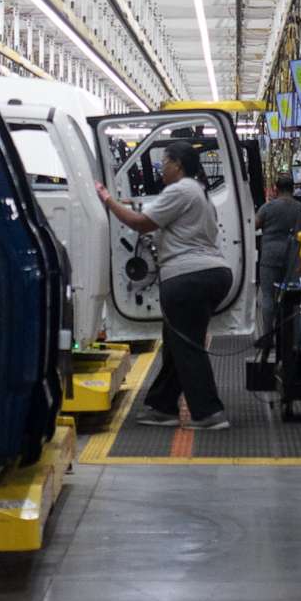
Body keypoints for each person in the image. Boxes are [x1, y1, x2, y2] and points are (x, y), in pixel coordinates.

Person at [100, 141, 232, 429]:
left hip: (188, 278)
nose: (161, 168)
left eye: (165, 162)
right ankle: (161, 406)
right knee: (176, 344)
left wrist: (107, 200)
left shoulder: (181, 189)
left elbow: (141, 223)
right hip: (211, 274)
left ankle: (209, 413)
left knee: (187, 348)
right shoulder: (198, 192)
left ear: (179, 165)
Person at [254, 173, 301, 346]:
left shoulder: (268, 207)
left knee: (268, 296)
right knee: (288, 297)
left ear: (276, 189)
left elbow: (254, 224)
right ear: (292, 188)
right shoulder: (300, 208)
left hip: (269, 254)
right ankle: (287, 338)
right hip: (291, 254)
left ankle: (267, 338)